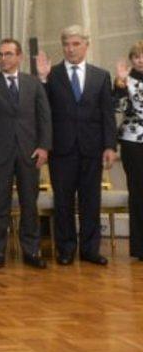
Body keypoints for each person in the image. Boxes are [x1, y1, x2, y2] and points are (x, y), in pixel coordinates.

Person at [36, 25, 116, 266]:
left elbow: (107, 114)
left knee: (91, 200)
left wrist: (110, 146)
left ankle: (90, 249)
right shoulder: (52, 75)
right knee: (63, 202)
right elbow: (42, 111)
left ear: (86, 45)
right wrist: (41, 79)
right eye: (66, 45)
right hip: (61, 149)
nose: (70, 49)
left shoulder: (100, 75)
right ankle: (66, 248)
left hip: (92, 148)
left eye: (75, 44)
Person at [0, 39, 51, 269]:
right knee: (0, 204)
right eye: (0, 54)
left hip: (29, 151)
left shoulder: (33, 83)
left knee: (29, 202)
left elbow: (44, 117)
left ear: (19, 57)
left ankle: (31, 250)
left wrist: (44, 146)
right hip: (0, 152)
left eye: (8, 54)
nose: (3, 58)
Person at [114, 41, 143, 261]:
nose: (140, 60)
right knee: (138, 194)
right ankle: (140, 248)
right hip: (133, 142)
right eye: (136, 56)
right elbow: (119, 109)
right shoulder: (124, 80)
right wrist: (122, 86)